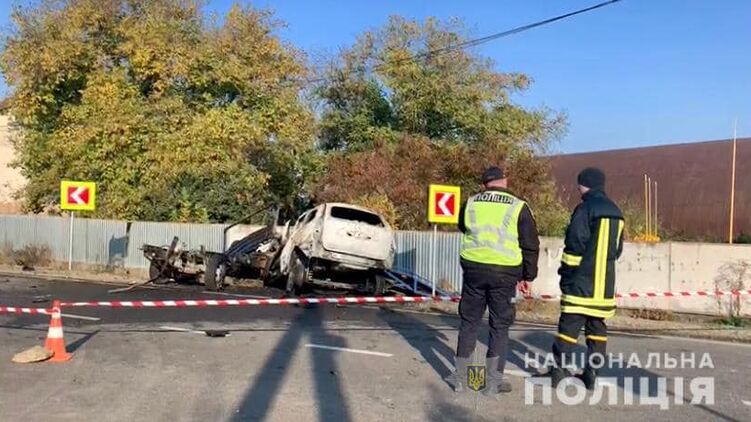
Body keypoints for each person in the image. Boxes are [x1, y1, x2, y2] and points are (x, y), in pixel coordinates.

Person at [446, 166, 540, 395]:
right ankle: (492, 383)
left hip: (474, 270)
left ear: (484, 184)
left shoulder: (471, 203)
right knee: (499, 326)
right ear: (504, 181)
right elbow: (530, 244)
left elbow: (463, 227)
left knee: (469, 323)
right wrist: (528, 276)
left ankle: (460, 379)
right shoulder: (518, 206)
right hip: (504, 273)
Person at [550, 167, 624, 390]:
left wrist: (566, 275)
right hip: (604, 286)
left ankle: (559, 371)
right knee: (597, 329)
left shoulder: (585, 209)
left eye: (579, 185)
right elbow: (617, 250)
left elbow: (575, 245)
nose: (578, 188)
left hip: (581, 283)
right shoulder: (617, 212)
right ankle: (591, 373)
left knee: (569, 327)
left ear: (585, 185)